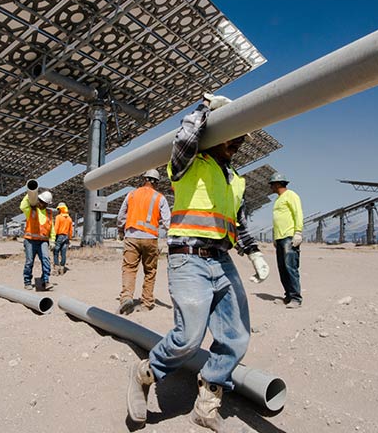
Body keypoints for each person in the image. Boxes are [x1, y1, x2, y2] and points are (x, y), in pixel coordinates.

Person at [126, 93, 270, 431]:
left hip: (222, 260)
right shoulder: (187, 163)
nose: (236, 142)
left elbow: (239, 222)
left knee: (235, 335)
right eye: (232, 134)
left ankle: (207, 401)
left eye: (240, 138)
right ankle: (146, 373)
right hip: (188, 259)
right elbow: (187, 136)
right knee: (189, 337)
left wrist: (254, 253)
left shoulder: (236, 179)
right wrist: (208, 111)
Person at [115, 169, 170, 315]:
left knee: (129, 269)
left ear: (144, 179)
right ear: (156, 182)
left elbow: (121, 216)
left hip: (131, 236)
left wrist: (121, 230)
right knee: (150, 271)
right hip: (150, 238)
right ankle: (146, 302)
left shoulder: (131, 194)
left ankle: (126, 297)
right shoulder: (160, 198)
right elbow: (167, 222)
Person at [269, 172, 304, 307]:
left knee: (290, 267)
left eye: (272, 184)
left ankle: (296, 298)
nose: (271, 187)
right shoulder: (278, 199)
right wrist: (275, 237)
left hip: (289, 237)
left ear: (278, 184)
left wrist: (298, 232)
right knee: (282, 268)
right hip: (280, 238)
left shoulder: (291, 195)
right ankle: (288, 296)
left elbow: (298, 213)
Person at [20, 190, 55, 290]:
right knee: (29, 261)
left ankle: (45, 281)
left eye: (45, 203)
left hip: (43, 241)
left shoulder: (49, 213)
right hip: (30, 240)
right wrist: (31, 194)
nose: (42, 204)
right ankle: (27, 281)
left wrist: (52, 240)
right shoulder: (31, 210)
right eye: (41, 202)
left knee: (46, 259)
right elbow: (22, 206)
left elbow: (52, 227)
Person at [52, 202, 73, 275]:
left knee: (56, 252)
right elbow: (70, 230)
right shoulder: (69, 219)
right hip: (66, 237)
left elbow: (56, 227)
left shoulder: (58, 217)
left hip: (59, 236)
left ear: (60, 209)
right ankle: (62, 268)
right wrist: (69, 238)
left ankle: (56, 268)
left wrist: (53, 237)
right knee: (63, 253)